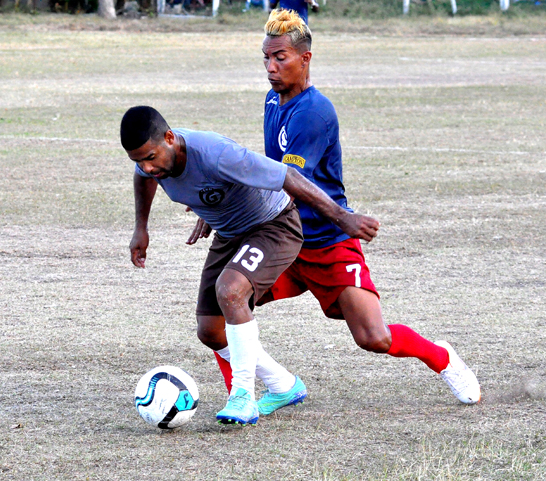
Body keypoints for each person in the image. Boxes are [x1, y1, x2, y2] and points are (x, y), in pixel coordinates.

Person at [204, 9, 481, 410]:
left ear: (305, 58)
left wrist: (235, 207)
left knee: (373, 337)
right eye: (266, 57)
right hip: (283, 238)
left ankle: (442, 357)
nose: (270, 67)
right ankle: (252, 393)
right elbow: (267, 172)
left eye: (280, 57)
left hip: (326, 241)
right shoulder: (271, 99)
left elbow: (288, 182)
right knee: (221, 312)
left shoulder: (314, 113)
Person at [122, 106, 380, 425]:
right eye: (139, 161)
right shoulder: (151, 166)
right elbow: (143, 178)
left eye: (151, 157)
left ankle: (243, 396)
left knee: (231, 291)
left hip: (274, 225)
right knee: (211, 331)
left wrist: (343, 218)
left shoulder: (218, 154)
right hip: (231, 233)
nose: (147, 167)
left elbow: (290, 177)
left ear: (170, 138)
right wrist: (141, 228)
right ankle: (283, 386)